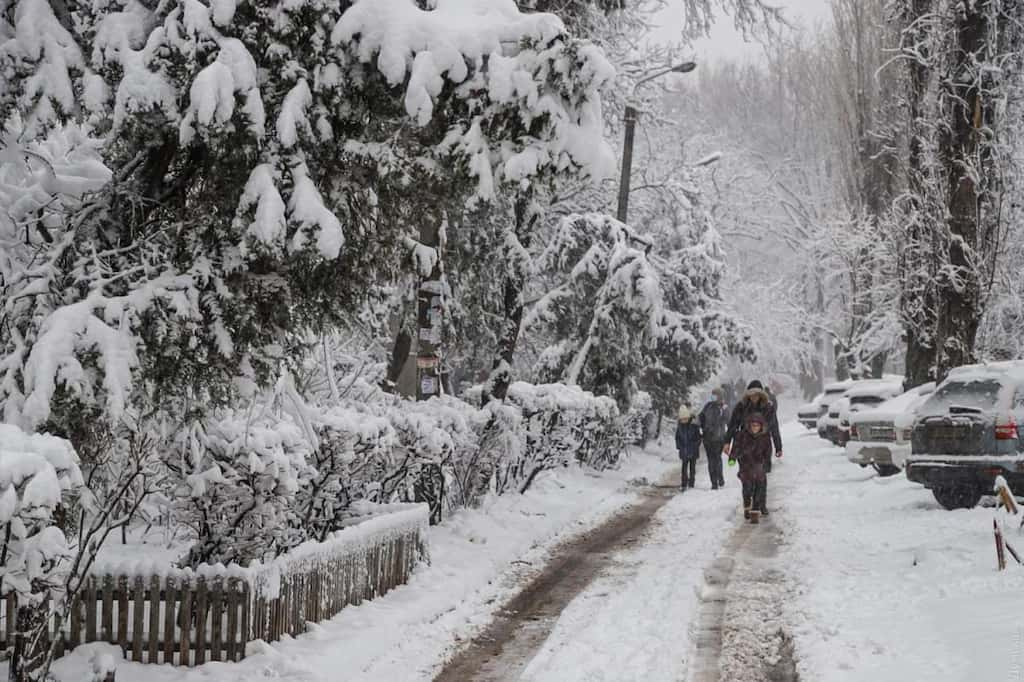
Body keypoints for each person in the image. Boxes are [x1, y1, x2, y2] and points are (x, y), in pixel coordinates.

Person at [724, 380, 783, 513]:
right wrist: (727, 442)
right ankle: (748, 503)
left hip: (763, 447)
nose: (754, 397)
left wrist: (778, 446)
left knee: (761, 477)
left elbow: (774, 428)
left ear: (761, 394)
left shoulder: (768, 408)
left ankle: (760, 505)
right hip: (745, 446)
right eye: (751, 394)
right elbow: (733, 425)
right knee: (747, 478)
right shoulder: (741, 407)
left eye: (757, 394)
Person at [728, 413, 773, 523]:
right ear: (749, 426)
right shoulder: (742, 435)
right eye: (753, 426)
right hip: (746, 466)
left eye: (757, 426)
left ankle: (755, 512)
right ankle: (747, 506)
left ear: (761, 426)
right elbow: (736, 447)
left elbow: (768, 452)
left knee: (759, 490)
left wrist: (767, 464)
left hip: (759, 467)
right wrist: (732, 458)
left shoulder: (765, 437)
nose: (755, 428)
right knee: (747, 489)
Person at [699, 388, 730, 489]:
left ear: (720, 396)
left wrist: (729, 438)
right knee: (710, 461)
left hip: (719, 438)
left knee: (717, 459)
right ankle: (713, 482)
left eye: (715, 395)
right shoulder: (708, 406)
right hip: (707, 438)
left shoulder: (724, 408)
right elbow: (701, 417)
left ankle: (720, 478)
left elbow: (729, 422)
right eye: (712, 394)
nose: (713, 396)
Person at [675, 404, 702, 490]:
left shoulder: (694, 425)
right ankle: (683, 483)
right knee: (684, 468)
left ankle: (691, 483)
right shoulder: (679, 427)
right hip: (684, 450)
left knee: (692, 468)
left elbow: (698, 438)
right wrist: (679, 446)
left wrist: (695, 446)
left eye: (685, 419)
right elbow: (677, 437)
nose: (684, 421)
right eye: (682, 419)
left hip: (693, 450)